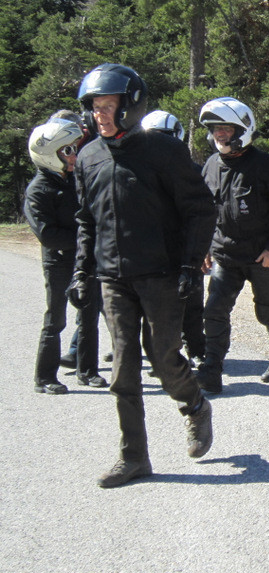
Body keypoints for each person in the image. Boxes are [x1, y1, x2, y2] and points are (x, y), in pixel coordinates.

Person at [70, 63, 217, 488]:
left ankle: (194, 406)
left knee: (165, 359)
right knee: (123, 371)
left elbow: (199, 209)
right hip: (114, 279)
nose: (100, 114)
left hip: (162, 275)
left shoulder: (162, 151)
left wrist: (191, 264)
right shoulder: (88, 157)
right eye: (95, 107)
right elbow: (85, 221)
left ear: (130, 106)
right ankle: (134, 457)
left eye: (108, 105)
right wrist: (82, 273)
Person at [194, 96, 269, 394]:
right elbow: (204, 212)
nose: (220, 134)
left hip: (261, 256)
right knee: (214, 311)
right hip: (225, 256)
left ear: (243, 129)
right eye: (215, 129)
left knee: (266, 311)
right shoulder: (211, 166)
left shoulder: (268, 165)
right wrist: (203, 247)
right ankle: (211, 369)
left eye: (226, 128)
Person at [23, 118, 107, 393]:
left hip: (84, 259)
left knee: (89, 315)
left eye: (74, 149)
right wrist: (84, 239)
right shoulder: (38, 190)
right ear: (50, 155)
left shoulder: (76, 181)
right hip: (59, 261)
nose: (74, 156)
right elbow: (47, 235)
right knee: (56, 319)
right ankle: (45, 377)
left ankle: (88, 371)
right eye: (67, 151)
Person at [141, 109, 205, 368]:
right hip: (151, 249)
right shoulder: (135, 172)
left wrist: (203, 246)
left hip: (186, 246)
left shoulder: (194, 171)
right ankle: (159, 355)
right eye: (154, 137)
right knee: (151, 307)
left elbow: (205, 212)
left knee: (192, 302)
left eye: (165, 136)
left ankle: (197, 350)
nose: (160, 142)